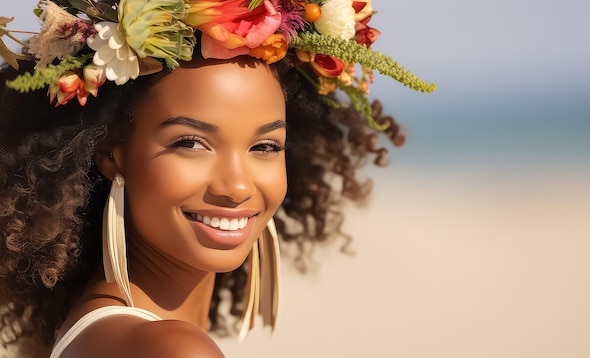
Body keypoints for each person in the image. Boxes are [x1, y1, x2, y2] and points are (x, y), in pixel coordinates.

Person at [0, 1, 435, 357]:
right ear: (111, 153)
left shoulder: (93, 335)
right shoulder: (171, 349)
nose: (237, 186)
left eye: (265, 147)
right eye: (191, 143)